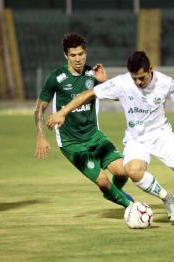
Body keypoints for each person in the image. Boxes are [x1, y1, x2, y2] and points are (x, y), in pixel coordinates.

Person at [47, 51, 174, 225]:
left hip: (162, 135)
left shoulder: (166, 83)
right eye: (135, 78)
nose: (138, 82)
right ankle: (167, 198)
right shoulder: (123, 82)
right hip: (136, 139)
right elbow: (89, 94)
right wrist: (63, 112)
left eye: (142, 77)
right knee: (132, 170)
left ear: (151, 69)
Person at [34, 33, 146, 211]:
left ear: (85, 52)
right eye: (73, 55)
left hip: (94, 135)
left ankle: (113, 192)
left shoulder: (93, 74)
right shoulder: (56, 78)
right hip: (72, 143)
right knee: (102, 181)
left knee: (123, 172)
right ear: (66, 56)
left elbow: (121, 98)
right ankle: (132, 208)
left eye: (80, 54)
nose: (77, 59)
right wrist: (40, 136)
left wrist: (105, 82)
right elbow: (39, 108)